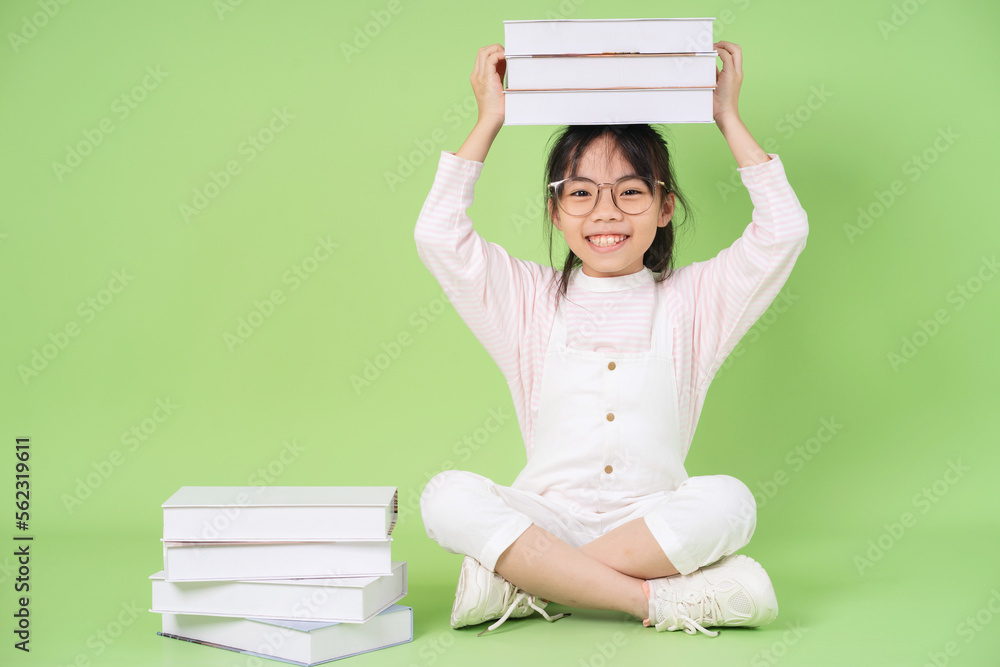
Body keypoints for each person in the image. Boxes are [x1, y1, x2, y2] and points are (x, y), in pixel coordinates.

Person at [414, 41, 809, 637]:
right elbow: (439, 236)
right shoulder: (527, 298)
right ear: (556, 213)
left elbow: (783, 231)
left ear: (664, 206)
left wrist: (727, 116)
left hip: (650, 525)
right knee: (444, 496)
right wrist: (489, 118)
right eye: (580, 192)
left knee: (730, 502)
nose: (605, 212)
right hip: (543, 521)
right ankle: (657, 602)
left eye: (630, 191)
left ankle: (526, 586)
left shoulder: (695, 300)